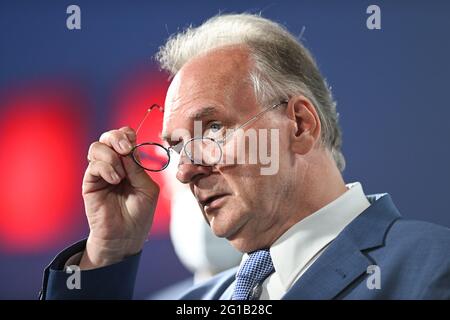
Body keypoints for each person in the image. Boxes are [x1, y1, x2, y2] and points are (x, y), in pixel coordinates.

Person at [40, 13, 450, 300]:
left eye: (212, 129)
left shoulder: (431, 268)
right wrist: (109, 253)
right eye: (179, 146)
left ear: (300, 125)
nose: (184, 171)